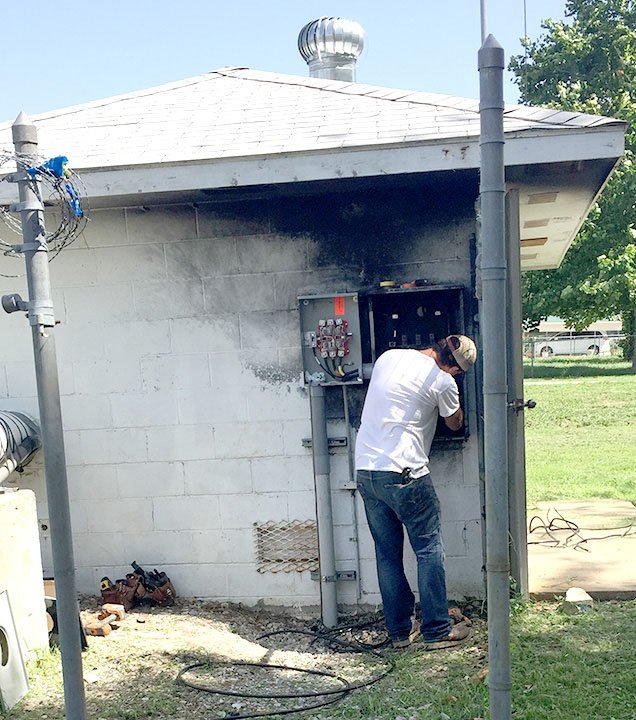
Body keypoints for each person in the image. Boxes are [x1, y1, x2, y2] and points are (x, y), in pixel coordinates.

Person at [355, 334, 477, 649]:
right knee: (428, 549)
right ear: (456, 369)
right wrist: (454, 403)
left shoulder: (389, 356)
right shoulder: (444, 382)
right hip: (405, 474)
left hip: (367, 472)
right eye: (459, 373)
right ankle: (437, 630)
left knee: (387, 554)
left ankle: (399, 632)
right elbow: (453, 423)